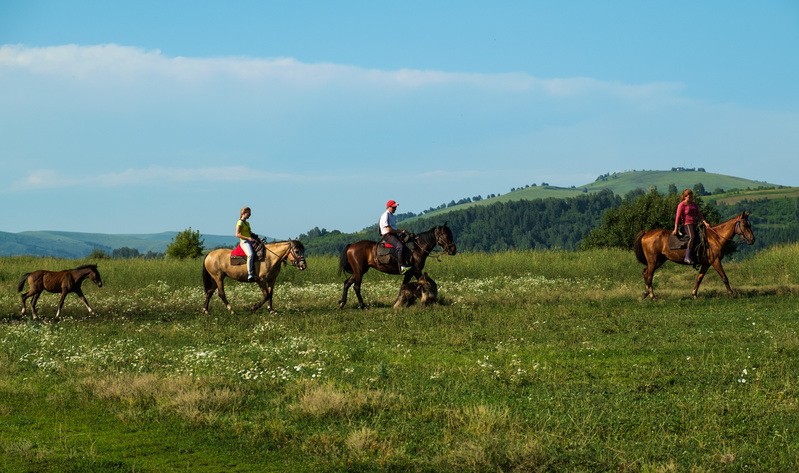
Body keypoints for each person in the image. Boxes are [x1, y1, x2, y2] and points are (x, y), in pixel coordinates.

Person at [673, 189, 708, 264]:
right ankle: (687, 257)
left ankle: (696, 256)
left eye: (691, 196)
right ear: (685, 197)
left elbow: (699, 214)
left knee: (701, 238)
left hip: (695, 224)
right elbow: (678, 217)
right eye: (689, 197)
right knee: (692, 237)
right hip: (687, 224)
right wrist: (675, 229)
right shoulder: (682, 205)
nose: (691, 198)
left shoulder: (694, 204)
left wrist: (705, 223)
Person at [379, 199, 411, 274]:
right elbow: (389, 230)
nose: (395, 209)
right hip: (387, 235)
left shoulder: (391, 216)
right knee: (400, 246)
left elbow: (394, 228)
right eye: (393, 207)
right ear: (389, 207)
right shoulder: (385, 215)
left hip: (393, 234)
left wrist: (402, 231)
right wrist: (400, 231)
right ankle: (401, 267)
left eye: (395, 207)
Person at [236, 206, 259, 281]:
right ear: (244, 213)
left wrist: (255, 236)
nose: (250, 215)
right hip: (244, 242)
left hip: (250, 241)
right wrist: (248, 238)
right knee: (250, 254)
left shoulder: (247, 223)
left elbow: (249, 232)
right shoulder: (239, 222)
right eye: (249, 213)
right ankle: (250, 274)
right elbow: (237, 234)